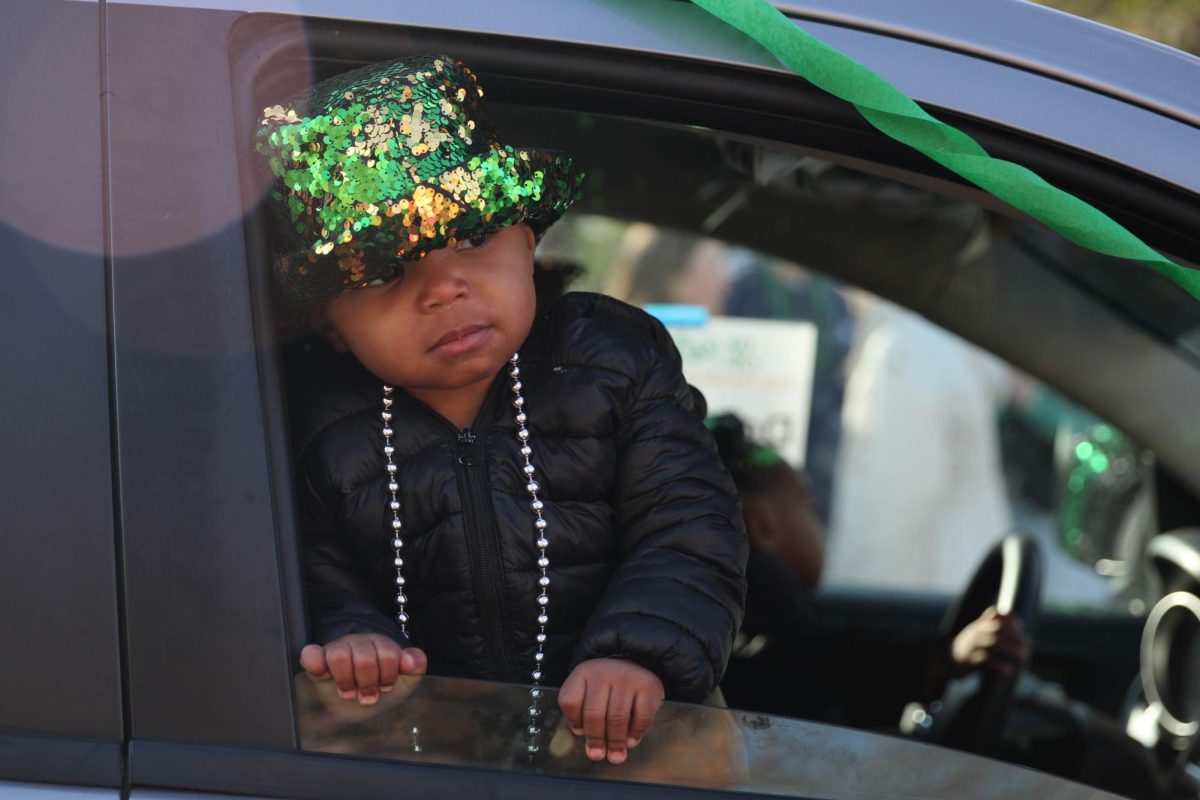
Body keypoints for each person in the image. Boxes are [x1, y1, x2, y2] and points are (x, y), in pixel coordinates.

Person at [254, 54, 747, 765]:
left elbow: (689, 522)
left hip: (638, 732)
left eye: (475, 239)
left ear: (528, 237)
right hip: (424, 750)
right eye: (389, 271)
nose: (445, 288)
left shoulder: (612, 361)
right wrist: (352, 633)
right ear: (329, 321)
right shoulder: (314, 423)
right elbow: (307, 560)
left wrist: (639, 654)